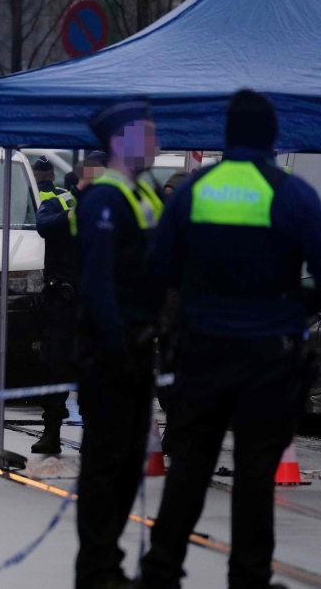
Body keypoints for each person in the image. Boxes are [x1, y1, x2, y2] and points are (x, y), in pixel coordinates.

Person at [138, 90, 321, 589]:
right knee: (256, 475)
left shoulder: (196, 191)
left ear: (226, 134)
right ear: (272, 135)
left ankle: (160, 571)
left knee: (190, 469)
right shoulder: (290, 194)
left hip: (201, 352)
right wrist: (295, 312)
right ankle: (249, 578)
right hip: (268, 357)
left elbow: (157, 268)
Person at [74, 100, 163, 589]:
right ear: (119, 141)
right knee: (107, 463)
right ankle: (96, 568)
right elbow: (98, 282)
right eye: (145, 133)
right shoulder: (104, 200)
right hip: (111, 353)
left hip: (137, 346)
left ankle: (108, 560)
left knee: (128, 464)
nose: (154, 140)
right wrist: (115, 342)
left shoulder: (141, 193)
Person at [32, 156, 78, 454]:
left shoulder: (112, 207)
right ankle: (51, 432)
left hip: (98, 301)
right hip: (64, 299)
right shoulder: (60, 204)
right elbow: (44, 225)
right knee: (55, 365)